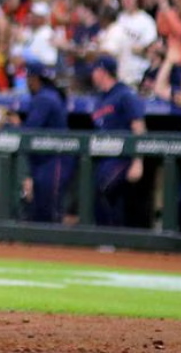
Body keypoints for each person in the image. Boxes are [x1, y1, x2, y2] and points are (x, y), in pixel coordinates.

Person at [88, 54, 147, 227]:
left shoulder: (125, 94)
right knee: (103, 195)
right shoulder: (100, 98)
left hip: (123, 156)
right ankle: (109, 239)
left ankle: (112, 238)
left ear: (103, 72)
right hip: (104, 157)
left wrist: (138, 161)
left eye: (95, 70)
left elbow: (139, 127)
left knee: (104, 188)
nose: (93, 74)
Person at [15, 61, 75, 223]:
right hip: (46, 159)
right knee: (41, 208)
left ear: (35, 79)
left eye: (29, 77)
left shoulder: (45, 98)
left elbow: (30, 130)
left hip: (55, 158)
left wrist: (14, 124)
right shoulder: (48, 95)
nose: (28, 82)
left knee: (50, 208)